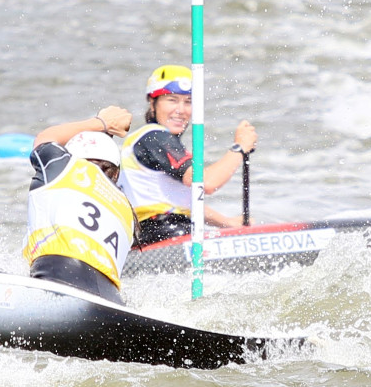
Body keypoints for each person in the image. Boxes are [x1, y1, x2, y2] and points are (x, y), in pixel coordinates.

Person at [117, 64, 258, 246]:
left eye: (188, 102)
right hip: (162, 235)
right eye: (172, 100)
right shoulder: (155, 136)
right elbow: (205, 183)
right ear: (153, 104)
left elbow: (182, 202)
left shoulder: (152, 141)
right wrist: (239, 148)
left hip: (151, 237)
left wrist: (228, 223)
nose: (181, 110)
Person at [23, 106, 136, 304]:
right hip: (110, 298)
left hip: (57, 275)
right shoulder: (127, 208)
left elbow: (44, 138)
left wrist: (101, 123)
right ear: (116, 173)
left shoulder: (64, 167)